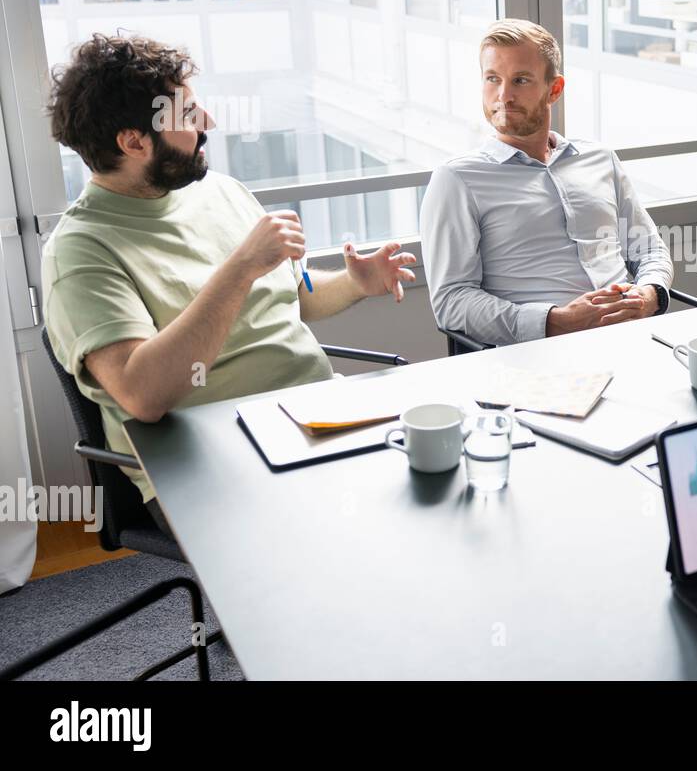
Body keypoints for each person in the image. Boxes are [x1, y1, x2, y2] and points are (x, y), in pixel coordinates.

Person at [42, 33, 416, 528]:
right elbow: (143, 393)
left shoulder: (220, 191)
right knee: (367, 531)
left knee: (444, 478)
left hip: (316, 415)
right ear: (133, 141)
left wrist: (355, 283)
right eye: (188, 116)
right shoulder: (80, 250)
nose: (208, 124)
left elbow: (294, 300)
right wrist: (239, 268)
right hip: (208, 459)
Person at [420, 19, 673, 347]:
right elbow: (451, 302)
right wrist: (554, 322)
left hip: (631, 338)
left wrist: (648, 296)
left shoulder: (600, 159)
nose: (504, 95)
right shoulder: (456, 179)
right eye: (492, 79)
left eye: (520, 80)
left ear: (554, 89)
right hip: (537, 356)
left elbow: (648, 248)